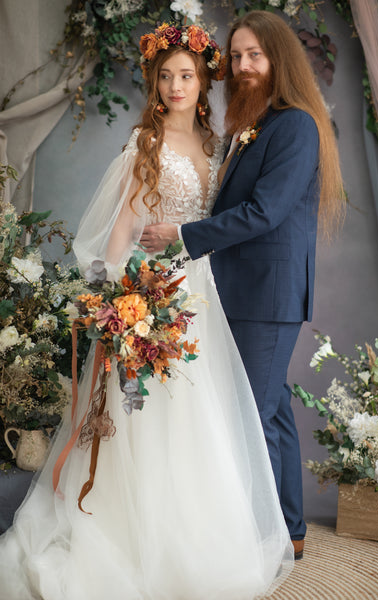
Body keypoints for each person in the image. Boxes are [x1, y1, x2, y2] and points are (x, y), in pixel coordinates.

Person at [0, 21, 294, 600]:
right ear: (154, 83)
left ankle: (195, 539)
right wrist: (120, 299)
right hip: (154, 295)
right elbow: (121, 234)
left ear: (206, 78)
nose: (177, 86)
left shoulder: (221, 144)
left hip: (203, 300)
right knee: (147, 421)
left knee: (201, 419)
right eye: (166, 77)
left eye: (187, 75)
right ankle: (131, 538)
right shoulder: (148, 142)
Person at [140, 11, 346, 559]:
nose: (243, 66)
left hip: (267, 294)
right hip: (242, 289)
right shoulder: (253, 122)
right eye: (235, 56)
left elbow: (264, 212)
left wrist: (184, 236)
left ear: (279, 59)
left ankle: (254, 539)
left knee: (247, 418)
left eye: (255, 54)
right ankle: (290, 530)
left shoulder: (296, 124)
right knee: (271, 409)